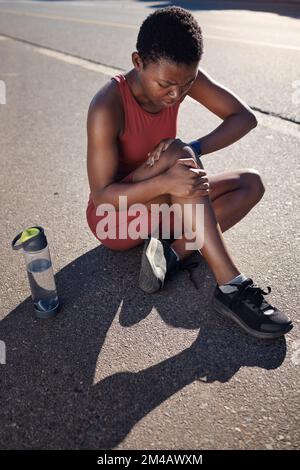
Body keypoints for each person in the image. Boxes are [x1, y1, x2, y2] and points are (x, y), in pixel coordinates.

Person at [86, 6, 292, 339]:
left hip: (167, 202)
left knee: (250, 184)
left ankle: (173, 253)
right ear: (138, 62)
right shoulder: (107, 105)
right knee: (177, 154)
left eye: (187, 85)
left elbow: (244, 117)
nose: (176, 95)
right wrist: (168, 177)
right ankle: (231, 287)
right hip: (115, 220)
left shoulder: (178, 76)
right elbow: (102, 198)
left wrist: (195, 148)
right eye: (166, 85)